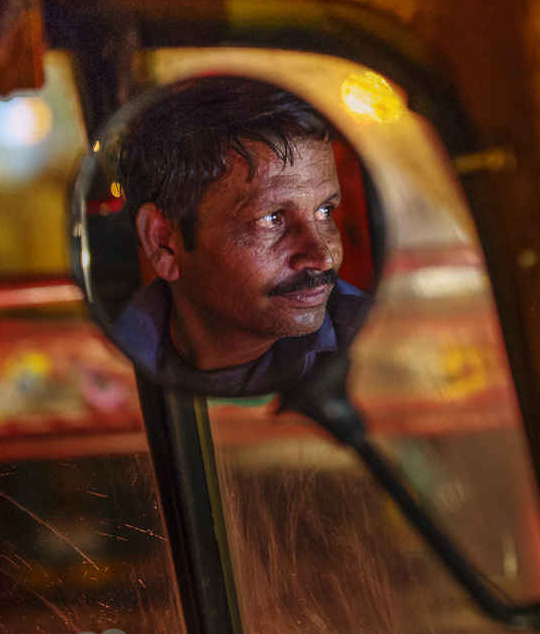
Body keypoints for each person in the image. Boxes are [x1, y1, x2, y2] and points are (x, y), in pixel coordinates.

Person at [111, 77, 372, 396]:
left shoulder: (379, 351)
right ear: (163, 241)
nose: (324, 257)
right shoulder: (99, 380)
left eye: (325, 211)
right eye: (272, 218)